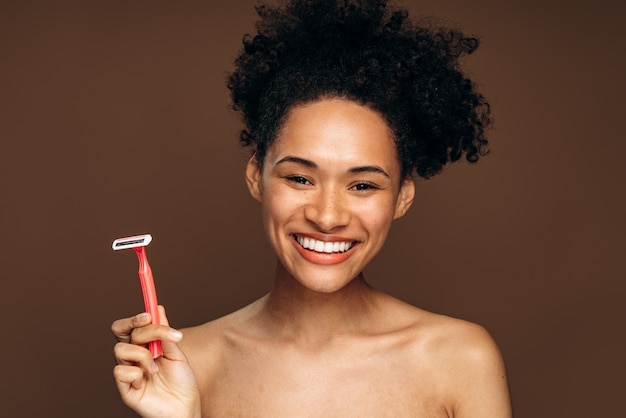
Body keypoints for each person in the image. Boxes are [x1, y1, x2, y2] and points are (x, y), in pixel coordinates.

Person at [111, 0, 512, 416]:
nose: (326, 216)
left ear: (403, 196)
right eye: (300, 179)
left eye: (362, 185)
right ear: (256, 176)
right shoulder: (184, 362)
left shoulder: (461, 359)